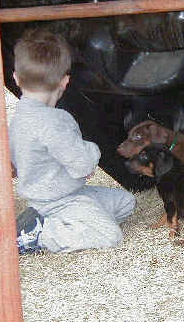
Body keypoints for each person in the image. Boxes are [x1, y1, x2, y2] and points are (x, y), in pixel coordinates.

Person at [9, 29, 136, 254]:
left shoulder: (18, 117)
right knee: (109, 235)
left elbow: (14, 160)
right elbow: (83, 166)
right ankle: (41, 234)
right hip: (59, 200)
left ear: (16, 78)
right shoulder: (56, 121)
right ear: (65, 81)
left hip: (61, 194)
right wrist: (93, 149)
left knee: (126, 202)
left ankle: (55, 219)